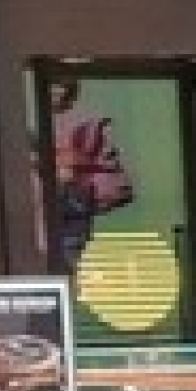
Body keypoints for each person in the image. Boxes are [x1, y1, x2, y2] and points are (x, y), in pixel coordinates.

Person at [45, 77, 134, 275]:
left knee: (70, 255)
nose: (56, 92)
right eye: (53, 86)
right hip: (48, 200)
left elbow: (108, 159)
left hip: (74, 195)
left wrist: (71, 161)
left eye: (60, 86)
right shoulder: (29, 117)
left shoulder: (89, 121)